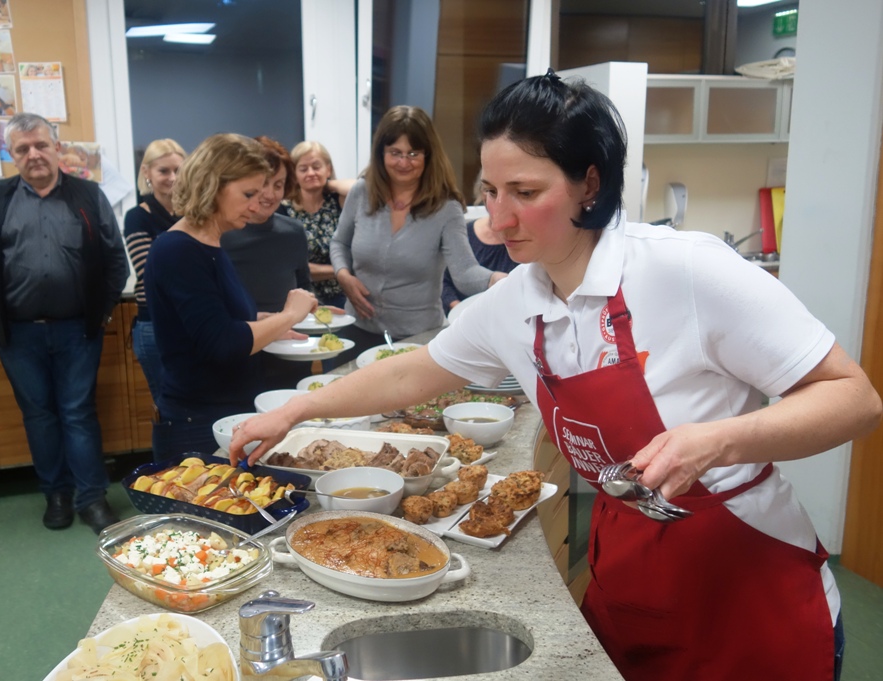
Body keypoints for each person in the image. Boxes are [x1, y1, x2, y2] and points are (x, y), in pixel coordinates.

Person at [232, 73, 881, 681]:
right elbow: (412, 374)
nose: (498, 217)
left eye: (525, 192)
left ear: (588, 185)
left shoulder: (686, 270)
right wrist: (294, 412)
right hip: (628, 574)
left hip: (745, 582)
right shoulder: (517, 302)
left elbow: (853, 398)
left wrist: (717, 441)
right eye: (489, 191)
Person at [0, 112, 129, 535]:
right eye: (22, 149)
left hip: (78, 330)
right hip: (18, 333)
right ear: (12, 156)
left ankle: (92, 497)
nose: (33, 154)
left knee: (77, 413)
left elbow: (115, 262)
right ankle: (56, 494)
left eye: (41, 145)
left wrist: (101, 311)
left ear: (57, 148)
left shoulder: (88, 195)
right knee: (38, 415)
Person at [145, 133, 317, 461]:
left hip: (224, 409)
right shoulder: (178, 249)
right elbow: (222, 343)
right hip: (196, 420)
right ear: (213, 186)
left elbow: (218, 322)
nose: (257, 204)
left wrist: (268, 324)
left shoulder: (211, 243)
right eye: (248, 193)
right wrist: (290, 315)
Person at [330, 105, 505, 353]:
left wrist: (496, 280)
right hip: (357, 330)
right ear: (381, 154)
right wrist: (343, 275)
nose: (403, 162)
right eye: (395, 152)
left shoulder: (446, 207)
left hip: (417, 340)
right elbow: (340, 243)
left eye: (413, 153)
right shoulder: (361, 192)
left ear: (428, 156)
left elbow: (465, 272)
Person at [221, 136, 316, 390]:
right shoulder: (221, 232)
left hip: (289, 355)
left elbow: (303, 287)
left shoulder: (293, 231)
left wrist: (319, 310)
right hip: (238, 356)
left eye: (279, 184)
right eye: (263, 184)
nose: (270, 194)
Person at [123, 137, 185, 406]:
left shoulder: (195, 213)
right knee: (167, 403)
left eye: (178, 170)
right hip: (155, 324)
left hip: (191, 322)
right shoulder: (138, 216)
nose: (172, 178)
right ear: (146, 172)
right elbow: (150, 271)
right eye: (163, 171)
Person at [279, 141, 346, 308]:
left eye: (317, 167)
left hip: (341, 295)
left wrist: (329, 183)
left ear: (328, 169)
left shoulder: (338, 202)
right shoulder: (282, 209)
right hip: (300, 298)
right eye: (303, 169)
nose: (311, 173)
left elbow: (359, 189)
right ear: (293, 175)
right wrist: (342, 271)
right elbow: (292, 267)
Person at [442, 178, 518, 311]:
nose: (498, 200)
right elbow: (444, 281)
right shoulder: (462, 232)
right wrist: (459, 310)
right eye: (490, 191)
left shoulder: (525, 240)